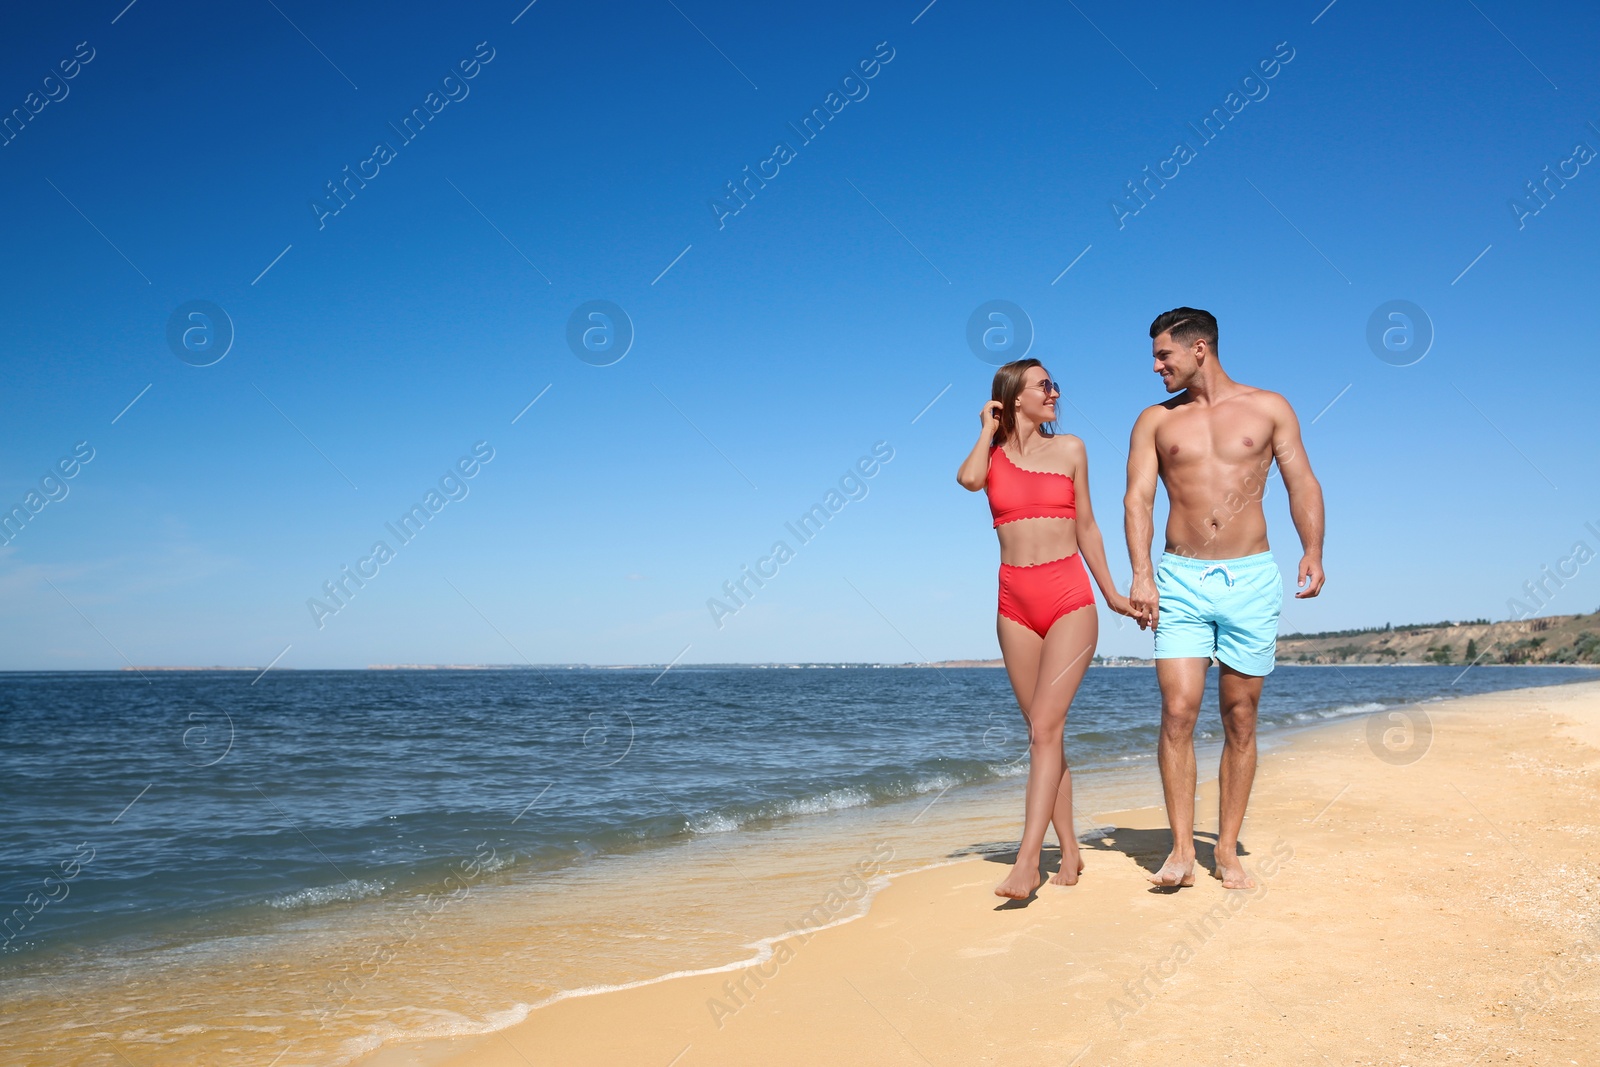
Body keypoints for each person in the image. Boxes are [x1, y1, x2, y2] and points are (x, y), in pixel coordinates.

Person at [1123, 307, 1326, 890]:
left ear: (1200, 349)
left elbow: (1302, 481)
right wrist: (1142, 575)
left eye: (1164, 355)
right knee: (1178, 710)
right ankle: (1183, 850)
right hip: (1180, 578)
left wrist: (1312, 550)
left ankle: (1227, 849)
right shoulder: (1154, 422)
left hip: (1251, 577)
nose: (1156, 365)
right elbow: (1137, 499)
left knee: (1240, 715)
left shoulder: (1268, 408)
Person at [958, 358, 1135, 899]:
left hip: (1068, 598)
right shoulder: (989, 456)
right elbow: (967, 481)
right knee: (1042, 733)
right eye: (1043, 386)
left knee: (1043, 730)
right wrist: (988, 429)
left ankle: (1026, 862)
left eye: (1053, 384)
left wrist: (1113, 594)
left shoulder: (1072, 449)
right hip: (1013, 602)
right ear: (1014, 398)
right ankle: (1072, 850)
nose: (1055, 392)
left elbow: (1086, 525)